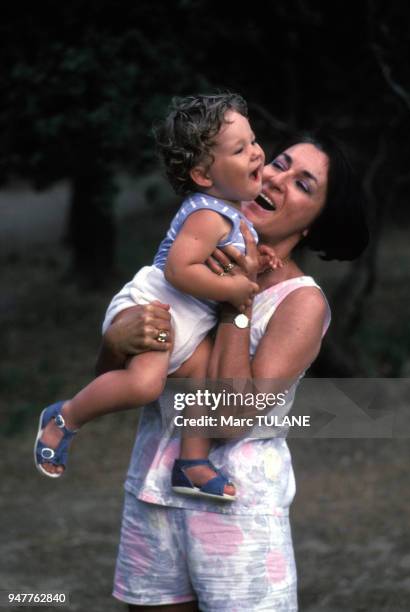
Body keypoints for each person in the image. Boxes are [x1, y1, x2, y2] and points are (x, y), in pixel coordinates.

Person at [97, 132, 369, 610]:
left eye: (304, 184)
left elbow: (228, 418)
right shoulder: (192, 255)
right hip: (151, 496)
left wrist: (234, 305)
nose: (278, 179)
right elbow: (115, 377)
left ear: (313, 224)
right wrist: (115, 341)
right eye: (280, 163)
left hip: (237, 514)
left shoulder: (300, 302)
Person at [34, 93, 276, 501]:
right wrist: (233, 289)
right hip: (153, 307)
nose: (256, 154)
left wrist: (259, 255)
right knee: (146, 385)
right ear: (203, 175)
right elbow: (179, 270)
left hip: (187, 324)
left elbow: (237, 254)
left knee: (203, 379)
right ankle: (65, 416)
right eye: (240, 149)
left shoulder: (232, 213)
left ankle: (191, 462)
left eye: (253, 141)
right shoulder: (207, 213)